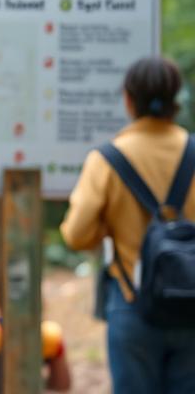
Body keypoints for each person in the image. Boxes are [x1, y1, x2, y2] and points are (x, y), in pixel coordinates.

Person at [61, 56, 195, 393]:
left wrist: (111, 226)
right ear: (176, 99)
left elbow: (77, 235)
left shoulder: (106, 160)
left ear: (128, 99)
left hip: (132, 302)